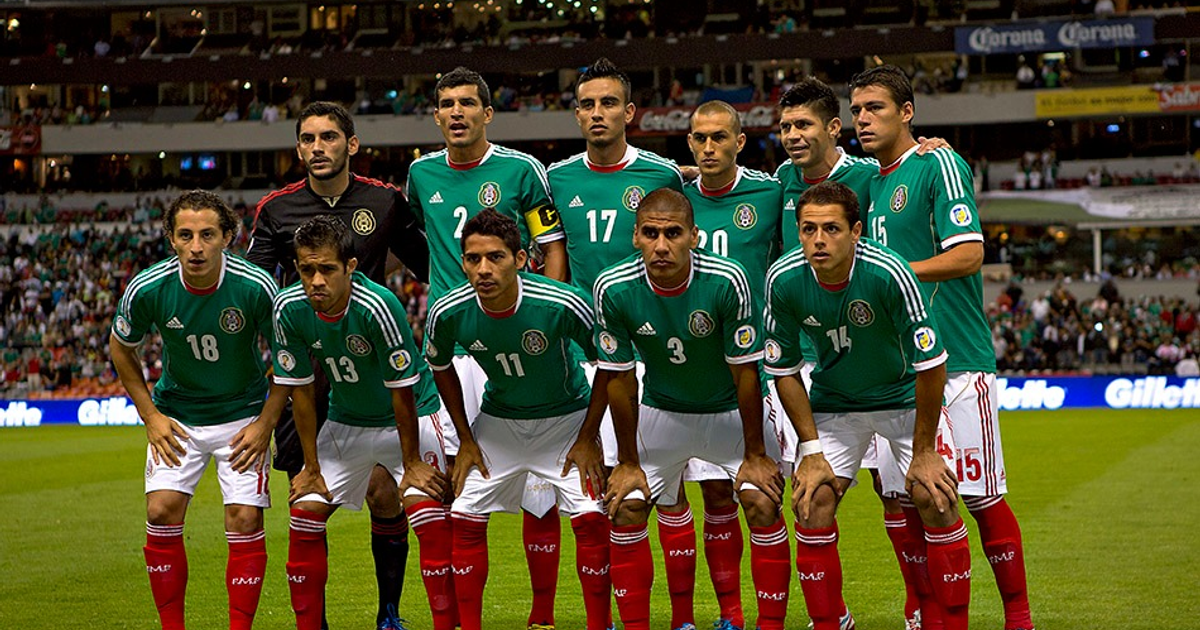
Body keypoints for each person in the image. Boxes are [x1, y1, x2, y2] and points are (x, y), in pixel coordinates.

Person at [851, 64, 1034, 630]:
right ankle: (925, 612)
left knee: (978, 498)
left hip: (956, 362)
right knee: (907, 500)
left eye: (875, 108)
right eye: (856, 110)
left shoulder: (938, 163)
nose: (862, 119)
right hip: (895, 373)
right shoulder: (870, 182)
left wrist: (892, 271)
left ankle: (1018, 618)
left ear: (907, 113)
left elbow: (969, 253)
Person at [246, 101, 429, 630]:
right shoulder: (277, 210)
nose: (317, 147)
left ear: (351, 144)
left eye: (329, 137)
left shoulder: (384, 202)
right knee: (306, 490)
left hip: (370, 372)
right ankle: (316, 622)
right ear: (298, 147)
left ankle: (388, 612)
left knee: (383, 491)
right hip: (304, 370)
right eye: (307, 138)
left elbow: (429, 267)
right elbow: (258, 289)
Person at [775, 76, 945, 628]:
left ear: (833, 127)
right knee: (812, 495)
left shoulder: (868, 174)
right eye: (785, 126)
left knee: (905, 494)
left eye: (805, 124)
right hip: (818, 363)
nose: (793, 135)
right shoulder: (780, 180)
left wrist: (927, 147)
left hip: (883, 352)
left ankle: (922, 606)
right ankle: (832, 619)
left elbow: (904, 165)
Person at [405, 66, 569, 628]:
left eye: (467, 103)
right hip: (455, 343)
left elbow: (549, 243)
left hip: (518, 328)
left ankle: (542, 614)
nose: (456, 113)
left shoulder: (522, 170)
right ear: (436, 115)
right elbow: (414, 242)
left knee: (539, 485)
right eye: (446, 103)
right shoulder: (420, 173)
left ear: (487, 113)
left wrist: (550, 313)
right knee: (454, 480)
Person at [765, 181, 968, 630]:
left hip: (902, 401)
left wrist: (924, 449)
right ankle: (832, 622)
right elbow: (784, 369)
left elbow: (932, 364)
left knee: (936, 498)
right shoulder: (783, 278)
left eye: (832, 229)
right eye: (808, 229)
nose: (819, 240)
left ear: (856, 231)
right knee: (811, 501)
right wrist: (812, 452)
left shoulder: (890, 272)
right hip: (836, 405)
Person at [595, 189, 788, 630]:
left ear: (694, 237)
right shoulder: (613, 287)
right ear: (635, 238)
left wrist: (756, 454)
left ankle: (766, 624)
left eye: (673, 233)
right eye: (651, 233)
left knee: (761, 502)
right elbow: (621, 380)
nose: (662, 245)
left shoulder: (727, 280)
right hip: (663, 411)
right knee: (626, 504)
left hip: (729, 413)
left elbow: (746, 374)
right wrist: (626, 462)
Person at [423, 209, 612, 630]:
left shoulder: (562, 303)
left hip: (566, 422)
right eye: (473, 259)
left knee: (591, 519)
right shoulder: (446, 311)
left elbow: (609, 365)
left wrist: (588, 436)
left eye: (496, 257)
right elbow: (440, 368)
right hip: (499, 423)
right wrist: (466, 439)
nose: (483, 269)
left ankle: (600, 623)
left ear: (521, 259)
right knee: (464, 515)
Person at [266, 216, 454, 630]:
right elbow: (301, 390)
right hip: (346, 419)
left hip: (411, 415)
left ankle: (409, 618)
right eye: (306, 269)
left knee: (426, 514)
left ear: (350, 266)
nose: (315, 280)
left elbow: (402, 391)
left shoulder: (379, 305)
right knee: (305, 513)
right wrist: (310, 468)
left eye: (327, 269)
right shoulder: (288, 307)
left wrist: (412, 463)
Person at [110, 190, 285, 630]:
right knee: (161, 511)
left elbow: (290, 360)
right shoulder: (148, 287)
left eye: (208, 234)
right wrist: (151, 417)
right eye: (185, 235)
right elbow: (121, 347)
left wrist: (265, 422)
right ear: (170, 238)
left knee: (243, 517)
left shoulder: (256, 286)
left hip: (243, 416)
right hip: (177, 416)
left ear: (228, 236)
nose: (196, 246)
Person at [677, 100, 785, 630]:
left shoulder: (771, 191)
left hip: (755, 371)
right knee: (713, 491)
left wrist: (926, 144)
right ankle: (730, 615)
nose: (708, 147)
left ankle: (771, 616)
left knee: (760, 495)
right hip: (691, 374)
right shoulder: (675, 202)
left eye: (719, 137)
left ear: (740, 141)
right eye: (699, 138)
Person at [548, 57, 685, 296]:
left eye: (608, 103)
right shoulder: (555, 179)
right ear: (578, 114)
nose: (597, 114)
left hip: (645, 320)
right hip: (582, 323)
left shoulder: (664, 175)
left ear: (629, 112)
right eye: (588, 105)